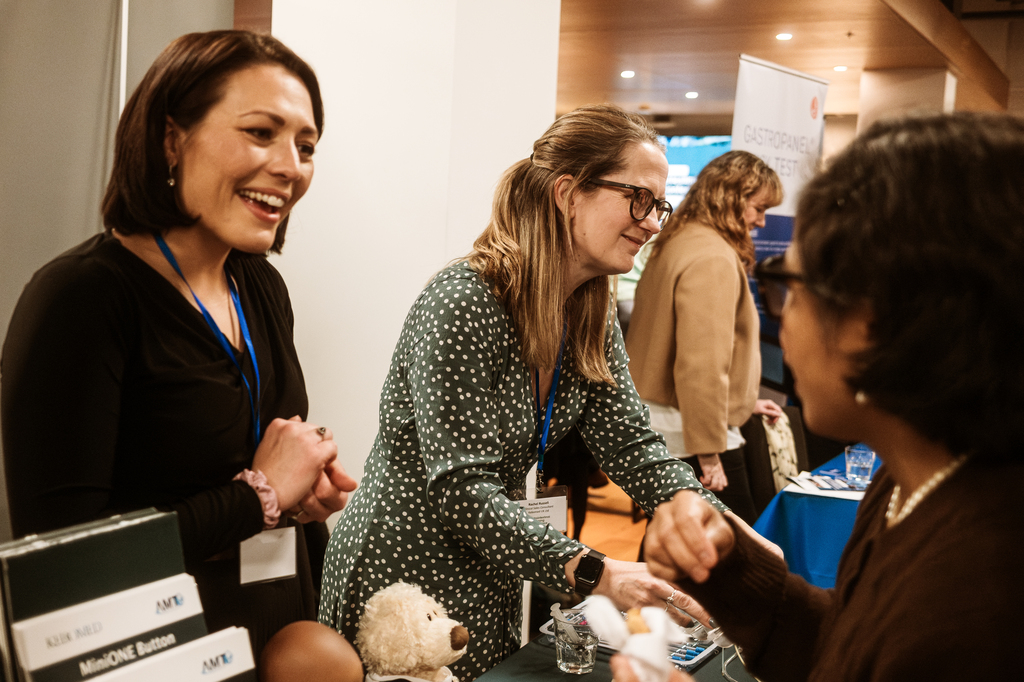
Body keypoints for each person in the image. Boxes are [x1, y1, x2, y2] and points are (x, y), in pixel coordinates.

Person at [318, 105, 766, 681]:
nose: (654, 223)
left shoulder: (589, 310)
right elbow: (461, 490)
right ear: (568, 193)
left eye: (660, 205)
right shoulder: (463, 301)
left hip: (496, 568)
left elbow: (633, 447)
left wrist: (730, 534)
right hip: (404, 579)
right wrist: (598, 573)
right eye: (639, 199)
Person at [0, 31, 357, 663]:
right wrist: (259, 495)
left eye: (306, 146)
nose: (290, 166)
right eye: (261, 132)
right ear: (172, 140)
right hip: (150, 650)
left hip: (272, 624)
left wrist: (302, 499)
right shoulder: (80, 298)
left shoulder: (259, 285)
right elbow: (65, 565)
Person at [630, 112, 1024, 681]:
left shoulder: (979, 598)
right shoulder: (912, 481)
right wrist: (732, 572)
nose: (783, 322)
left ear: (869, 321)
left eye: (789, 286)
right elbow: (852, 645)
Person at [625, 150, 784, 524]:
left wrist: (742, 402)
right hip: (694, 431)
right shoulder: (712, 255)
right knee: (735, 544)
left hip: (672, 419)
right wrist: (710, 453)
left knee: (673, 539)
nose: (761, 222)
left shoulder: (679, 240)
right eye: (759, 208)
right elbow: (701, 364)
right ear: (731, 197)